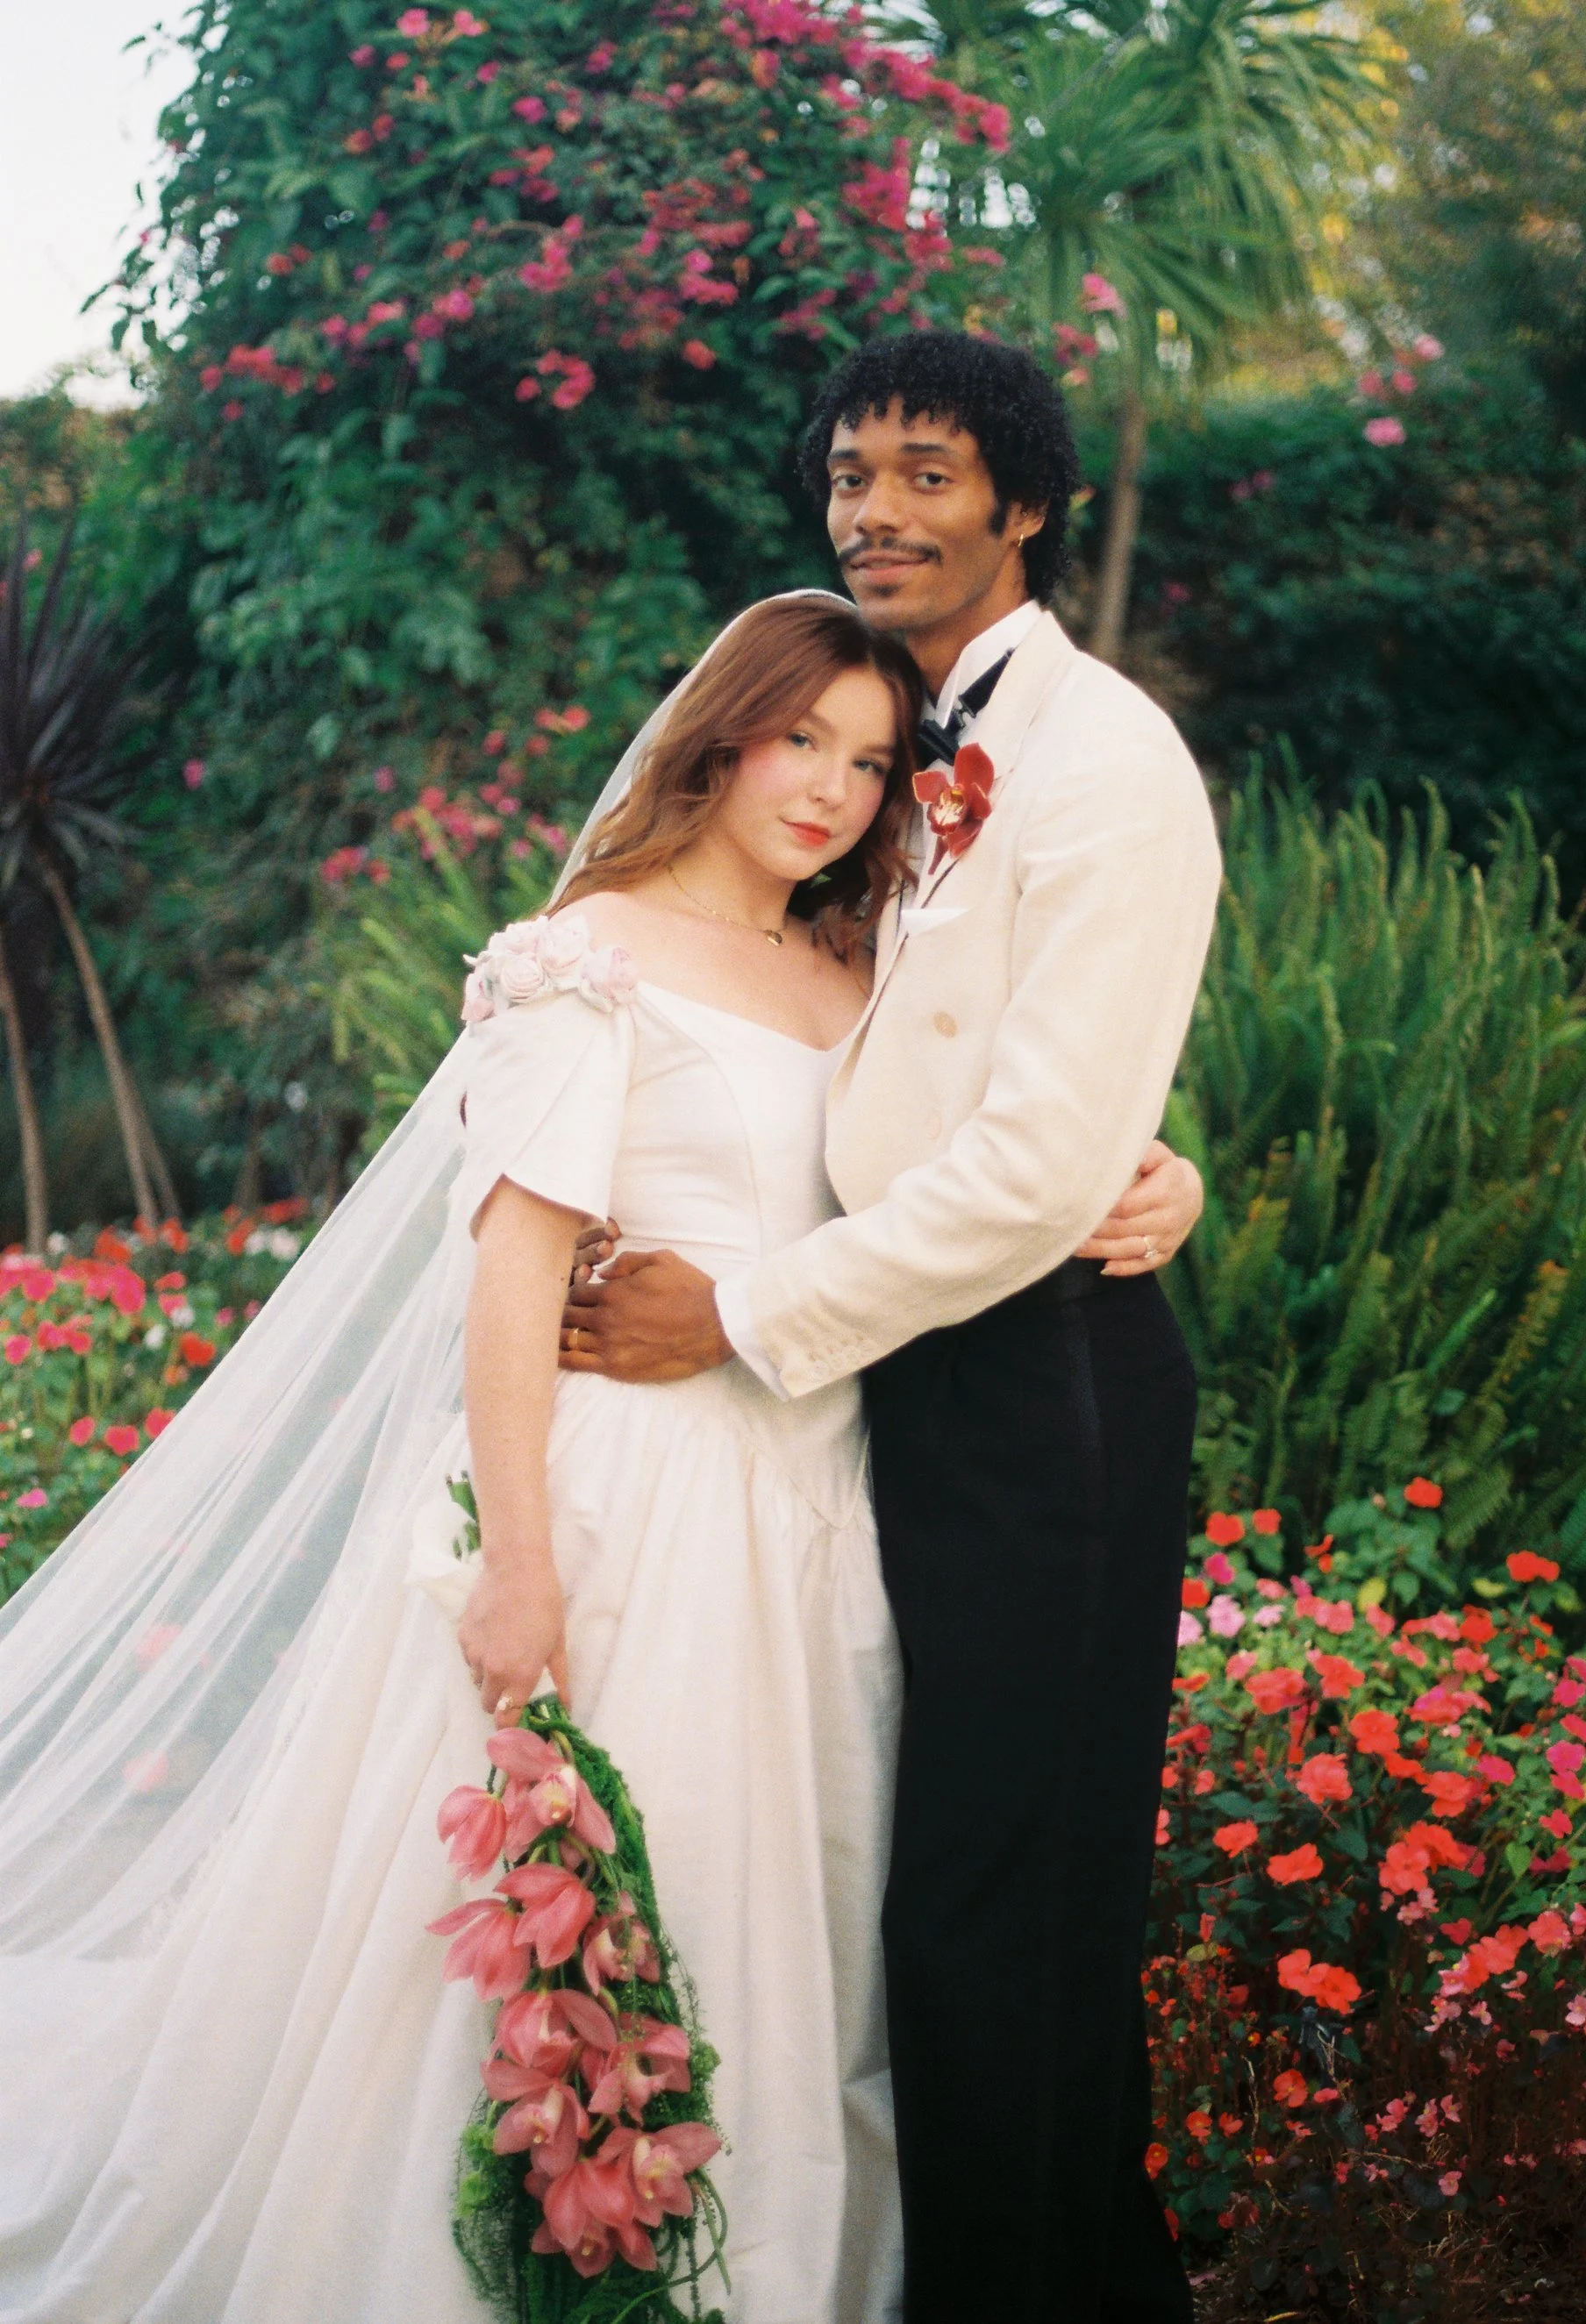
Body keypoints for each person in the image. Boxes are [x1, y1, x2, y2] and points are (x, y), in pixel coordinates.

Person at [0, 597, 919, 2324]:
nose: (831, 789)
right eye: (804, 738)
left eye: (870, 763)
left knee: (797, 1908)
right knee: (595, 1887)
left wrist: (1138, 1184)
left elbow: (956, 1189)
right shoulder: (592, 958)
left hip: (822, 1495)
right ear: (725, 733)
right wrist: (519, 1563)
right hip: (627, 1492)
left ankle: (777, 2264)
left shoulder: (861, 973)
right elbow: (516, 1271)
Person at [560, 331, 1222, 2324]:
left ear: (1022, 502)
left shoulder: (1102, 757)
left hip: (1047, 1395)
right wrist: (1154, 1153)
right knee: (944, 1900)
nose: (875, 509)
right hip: (912, 1382)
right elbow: (902, 1064)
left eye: (927, 472)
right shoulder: (884, 741)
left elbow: (1031, 1164)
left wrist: (740, 1311)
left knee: (997, 1910)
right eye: (852, 472)